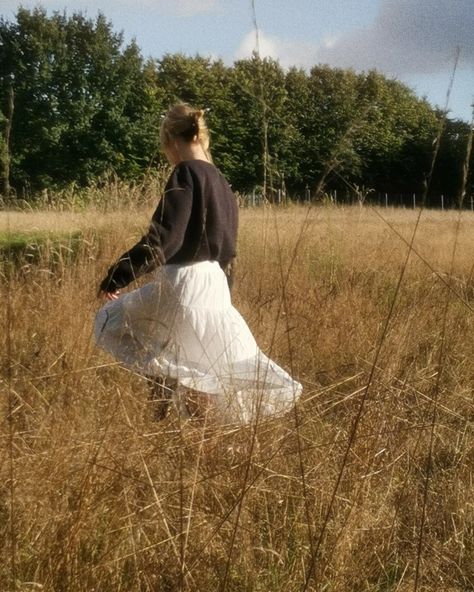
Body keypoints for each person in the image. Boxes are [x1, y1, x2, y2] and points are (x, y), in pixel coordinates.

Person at [95, 103, 302, 424]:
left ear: (170, 140)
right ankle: (185, 438)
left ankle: (162, 426)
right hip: (215, 290)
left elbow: (163, 238)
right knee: (198, 367)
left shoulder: (185, 173)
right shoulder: (223, 185)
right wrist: (225, 298)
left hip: (182, 284)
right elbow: (228, 253)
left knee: (110, 321)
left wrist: (116, 276)